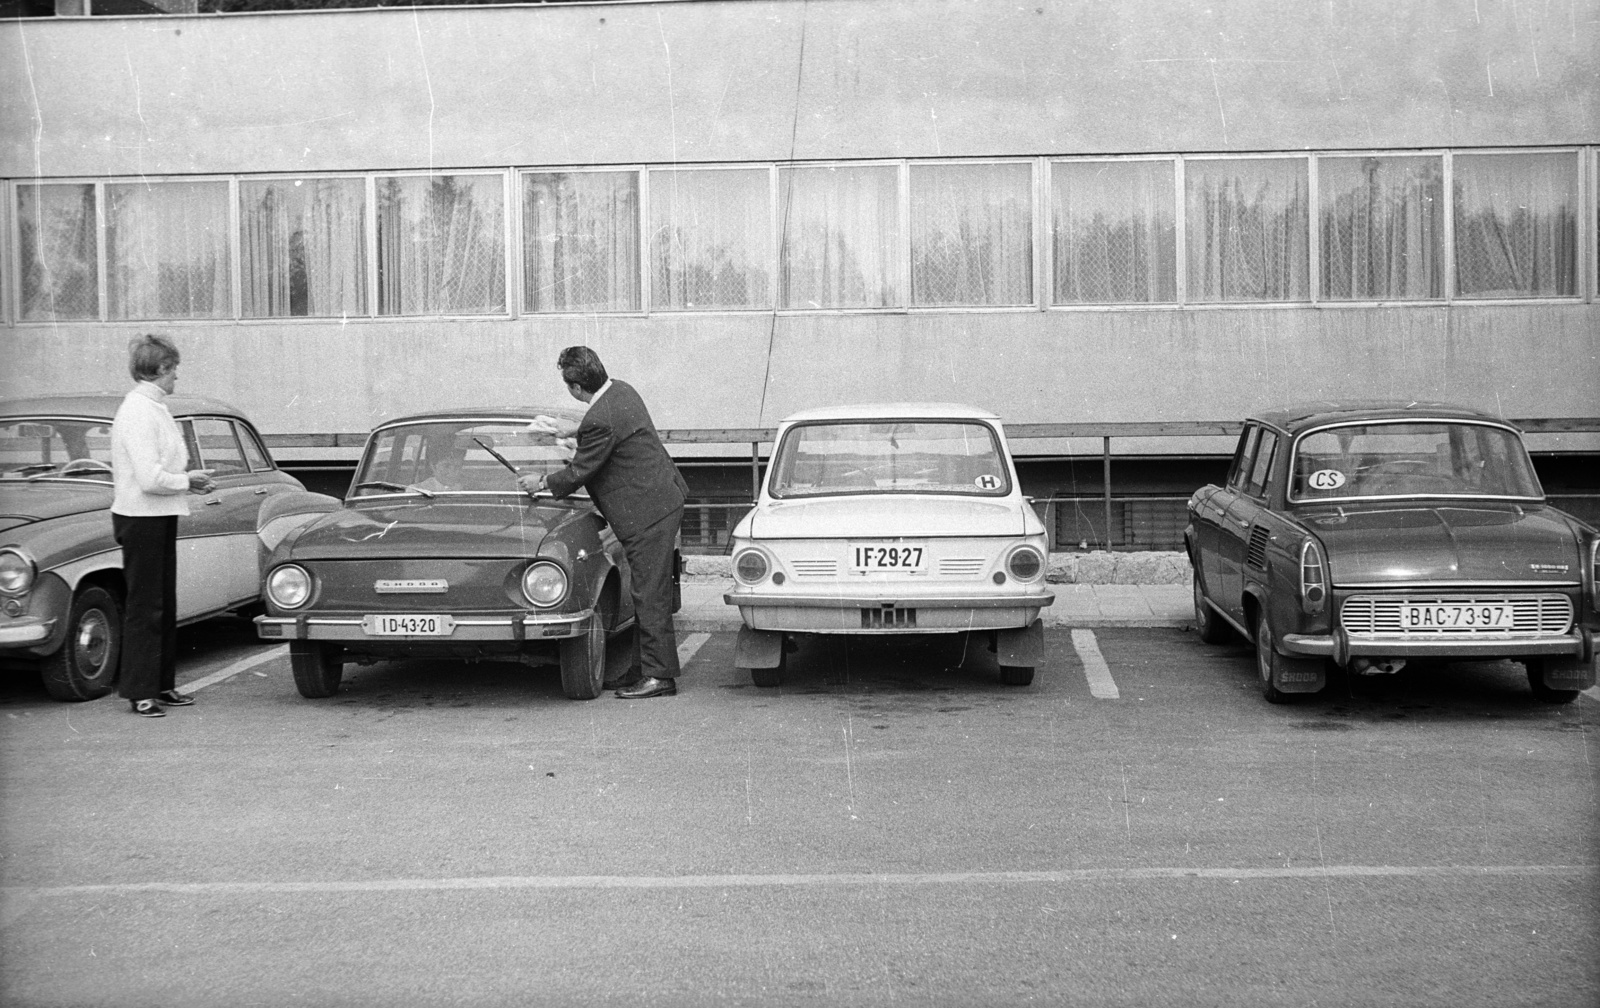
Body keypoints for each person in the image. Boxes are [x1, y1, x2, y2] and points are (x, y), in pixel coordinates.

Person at [518, 346, 688, 699]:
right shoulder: (621, 390)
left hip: (648, 513)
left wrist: (541, 482)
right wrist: (571, 431)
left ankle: (659, 677)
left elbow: (580, 471)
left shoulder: (600, 419)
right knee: (648, 590)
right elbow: (603, 429)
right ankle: (643, 671)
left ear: (576, 388)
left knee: (648, 594)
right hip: (659, 501)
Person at [110, 335, 216, 717]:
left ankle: (161, 684)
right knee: (145, 606)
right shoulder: (138, 411)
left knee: (163, 603)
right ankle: (141, 691)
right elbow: (149, 478)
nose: (177, 379)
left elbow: (163, 469)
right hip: (140, 517)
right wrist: (189, 481)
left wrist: (187, 478)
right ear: (158, 370)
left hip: (157, 515)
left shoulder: (154, 407)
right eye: (173, 370)